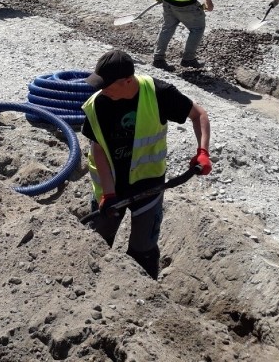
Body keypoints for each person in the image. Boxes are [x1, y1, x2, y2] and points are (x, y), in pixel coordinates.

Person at [81, 49, 212, 279]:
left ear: (127, 81)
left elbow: (198, 114)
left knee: (144, 250)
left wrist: (202, 151)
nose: (103, 91)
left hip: (149, 186)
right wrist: (109, 194)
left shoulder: (159, 93)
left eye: (108, 85)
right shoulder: (98, 104)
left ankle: (144, 292)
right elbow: (98, 147)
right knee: (97, 242)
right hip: (109, 188)